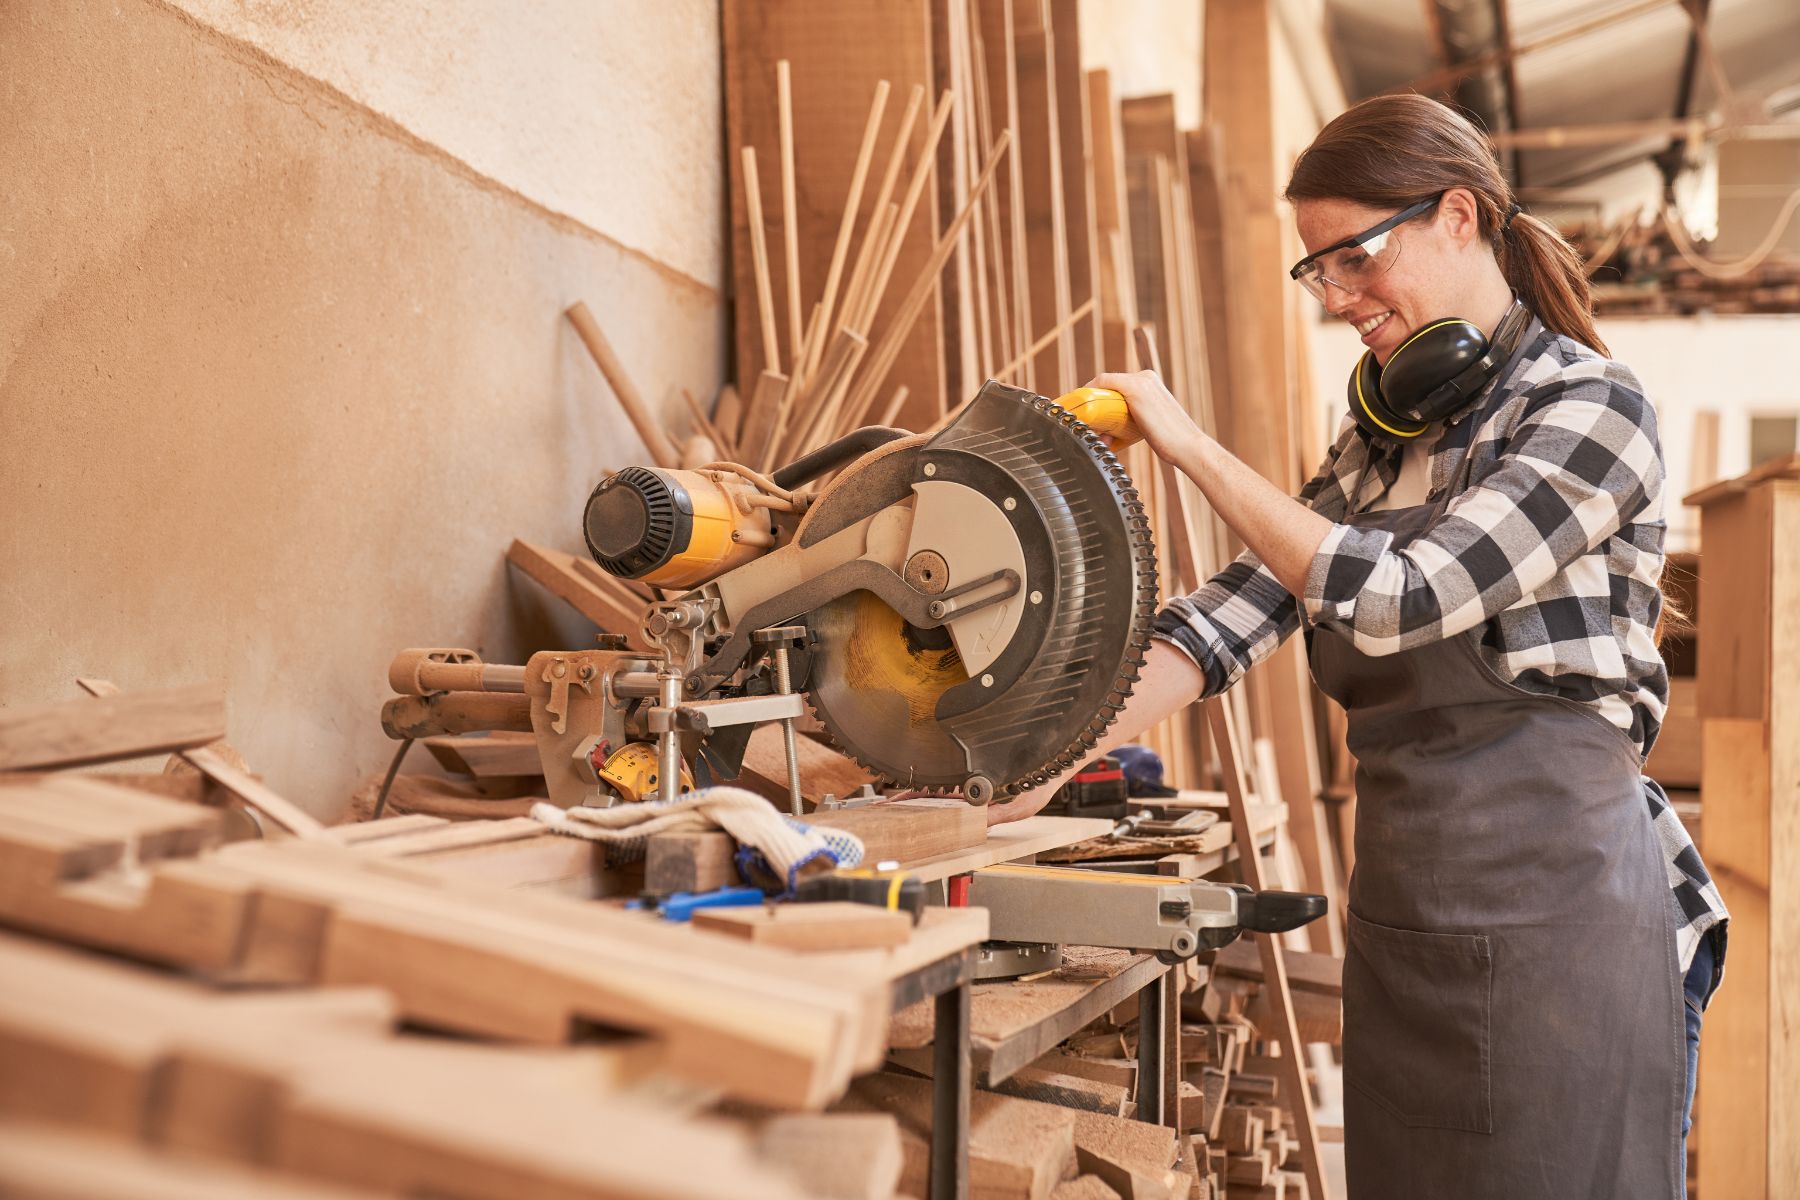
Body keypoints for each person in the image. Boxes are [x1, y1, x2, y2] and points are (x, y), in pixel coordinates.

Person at [986, 94, 1728, 1198]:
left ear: (1461, 217)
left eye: (1354, 260)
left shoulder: (1592, 407)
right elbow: (1235, 612)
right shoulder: (1387, 437)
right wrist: (1032, 758)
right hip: (1411, 903)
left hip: (1559, 914)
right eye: (1315, 274)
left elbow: (1400, 597)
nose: (1338, 300)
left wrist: (1190, 447)